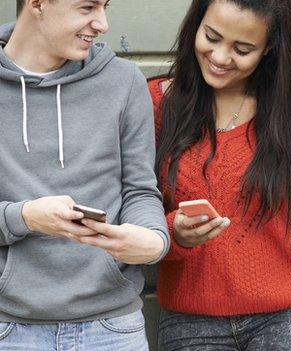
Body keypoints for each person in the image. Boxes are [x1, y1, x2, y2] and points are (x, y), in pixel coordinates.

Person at [149, 0, 291, 350]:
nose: (220, 56)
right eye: (212, 36)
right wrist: (174, 233)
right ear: (196, 23)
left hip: (289, 322)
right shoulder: (156, 104)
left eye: (242, 49)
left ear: (269, 47)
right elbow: (135, 213)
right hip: (190, 325)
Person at [0, 0, 170, 349]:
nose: (102, 23)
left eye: (105, 6)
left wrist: (152, 238)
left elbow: (140, 191)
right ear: (36, 3)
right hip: (10, 329)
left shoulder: (123, 81)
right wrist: (26, 217)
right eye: (87, 7)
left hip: (112, 328)